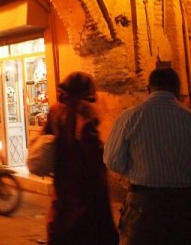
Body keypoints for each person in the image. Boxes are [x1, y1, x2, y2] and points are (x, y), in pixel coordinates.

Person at [104, 66, 191, 245]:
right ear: (177, 89)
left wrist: (136, 169)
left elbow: (112, 160)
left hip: (142, 204)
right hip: (183, 204)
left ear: (148, 88)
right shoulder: (187, 118)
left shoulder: (129, 117)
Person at [42, 72, 118, 245]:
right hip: (85, 184)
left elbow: (46, 138)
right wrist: (100, 160)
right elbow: (86, 137)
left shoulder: (55, 109)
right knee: (89, 229)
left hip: (62, 180)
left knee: (62, 223)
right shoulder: (83, 109)